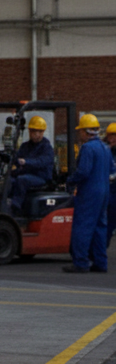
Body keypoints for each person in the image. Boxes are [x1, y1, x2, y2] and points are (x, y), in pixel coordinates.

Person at [63, 114, 110, 273]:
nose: (79, 134)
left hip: (90, 192)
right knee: (100, 227)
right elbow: (111, 170)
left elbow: (83, 172)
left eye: (80, 131)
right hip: (104, 191)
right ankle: (101, 263)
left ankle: (81, 262)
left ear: (85, 131)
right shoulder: (105, 147)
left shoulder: (88, 148)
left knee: (82, 227)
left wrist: (69, 181)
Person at [9, 115, 55, 215]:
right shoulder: (25, 146)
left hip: (41, 177)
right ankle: (4, 204)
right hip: (26, 174)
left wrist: (25, 162)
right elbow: (17, 159)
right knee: (8, 181)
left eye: (40, 132)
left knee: (22, 180)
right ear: (30, 132)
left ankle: (15, 207)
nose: (37, 134)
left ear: (43, 132)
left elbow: (41, 162)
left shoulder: (46, 147)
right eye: (34, 131)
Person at [106, 122, 116, 252]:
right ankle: (101, 248)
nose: (111, 138)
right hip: (109, 191)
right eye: (110, 135)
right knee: (107, 223)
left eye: (114, 135)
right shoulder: (107, 150)